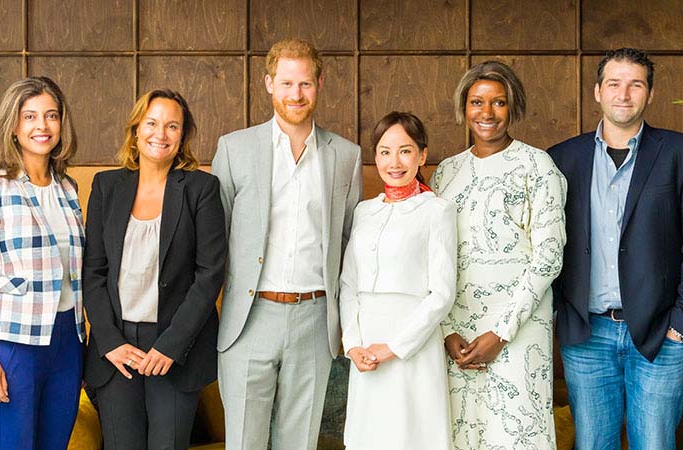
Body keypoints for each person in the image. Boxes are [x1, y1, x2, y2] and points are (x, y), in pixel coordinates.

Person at [548, 48, 683, 450]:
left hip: (660, 334)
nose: (623, 94)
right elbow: (547, 244)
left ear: (650, 94)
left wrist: (681, 329)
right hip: (587, 333)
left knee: (656, 445)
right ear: (597, 91)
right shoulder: (561, 158)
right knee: (592, 444)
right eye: (614, 83)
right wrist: (561, 314)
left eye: (635, 84)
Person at [212, 37, 362, 450]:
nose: (296, 94)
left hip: (315, 319)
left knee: (299, 443)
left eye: (305, 84)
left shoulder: (346, 156)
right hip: (248, 317)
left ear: (319, 84)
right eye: (286, 83)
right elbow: (215, 240)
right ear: (268, 84)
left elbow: (350, 241)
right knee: (244, 441)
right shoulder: (234, 148)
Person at [431, 61, 566, 449]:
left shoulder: (537, 166)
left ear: (514, 107)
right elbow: (437, 257)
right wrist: (447, 330)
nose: (486, 113)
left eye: (499, 102)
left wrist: (501, 332)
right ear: (464, 107)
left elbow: (548, 258)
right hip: (458, 332)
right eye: (477, 102)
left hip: (517, 329)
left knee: (514, 434)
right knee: (463, 433)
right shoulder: (447, 172)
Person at [82, 89, 226, 450]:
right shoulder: (106, 186)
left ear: (183, 135)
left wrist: (171, 346)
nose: (160, 134)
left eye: (172, 126)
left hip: (175, 351)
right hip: (116, 349)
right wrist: (110, 342)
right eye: (152, 123)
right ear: (135, 130)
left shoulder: (202, 189)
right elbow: (93, 271)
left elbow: (209, 274)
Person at [0, 76, 84, 450]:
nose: (41, 126)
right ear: (13, 125)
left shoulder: (67, 188)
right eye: (29, 116)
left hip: (67, 341)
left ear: (62, 123)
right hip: (12, 343)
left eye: (50, 116)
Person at [340, 111, 456, 450]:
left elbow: (442, 293)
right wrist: (353, 345)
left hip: (411, 349)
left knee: (412, 436)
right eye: (385, 151)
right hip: (365, 351)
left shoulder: (437, 210)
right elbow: (348, 285)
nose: (395, 161)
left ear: (421, 155)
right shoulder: (364, 211)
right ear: (375, 156)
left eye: (405, 150)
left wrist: (394, 347)